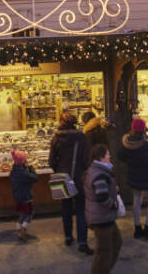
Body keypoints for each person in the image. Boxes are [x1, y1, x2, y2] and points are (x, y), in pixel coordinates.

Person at [50, 111, 93, 254]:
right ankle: (82, 242)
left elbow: (51, 161)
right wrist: (81, 169)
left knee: (66, 208)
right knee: (81, 209)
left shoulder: (56, 138)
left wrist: (60, 170)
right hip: (78, 177)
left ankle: (68, 237)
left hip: (62, 177)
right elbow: (87, 159)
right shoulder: (81, 137)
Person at [85, 144, 122, 272]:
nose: (110, 155)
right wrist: (114, 204)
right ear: (101, 158)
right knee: (104, 252)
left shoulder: (98, 170)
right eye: (107, 154)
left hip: (103, 217)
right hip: (102, 219)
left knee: (116, 243)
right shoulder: (99, 173)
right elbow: (101, 196)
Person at [121, 117, 148, 240]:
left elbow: (120, 156)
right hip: (146, 176)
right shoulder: (145, 144)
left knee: (136, 201)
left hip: (133, 176)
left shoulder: (127, 143)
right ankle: (147, 227)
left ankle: (137, 228)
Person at [9, 150, 37, 242]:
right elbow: (35, 178)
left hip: (17, 196)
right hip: (26, 196)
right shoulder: (23, 173)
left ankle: (18, 230)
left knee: (22, 213)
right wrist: (31, 168)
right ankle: (23, 230)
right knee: (29, 214)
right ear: (22, 161)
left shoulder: (13, 171)